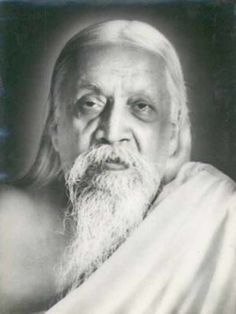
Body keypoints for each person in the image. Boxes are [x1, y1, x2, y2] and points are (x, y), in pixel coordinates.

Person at [0, 20, 235, 314]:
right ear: (56, 128)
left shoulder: (217, 215)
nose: (112, 132)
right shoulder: (5, 223)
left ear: (172, 135)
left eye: (141, 106)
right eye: (90, 103)